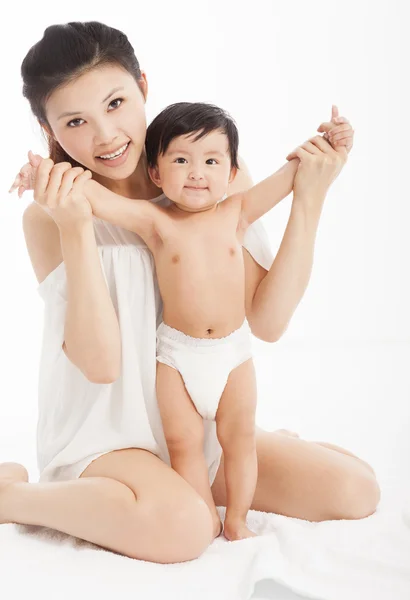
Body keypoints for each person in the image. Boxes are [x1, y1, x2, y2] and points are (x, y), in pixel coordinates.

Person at [0, 21, 379, 565]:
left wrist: (309, 197)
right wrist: (76, 227)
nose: (105, 135)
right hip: (104, 442)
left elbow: (267, 322)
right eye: (76, 121)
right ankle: (14, 495)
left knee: (354, 491)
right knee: (185, 531)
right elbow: (101, 365)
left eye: (116, 103)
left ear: (143, 87)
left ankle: (229, 460)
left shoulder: (208, 174)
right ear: (49, 129)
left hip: (197, 430)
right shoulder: (49, 214)